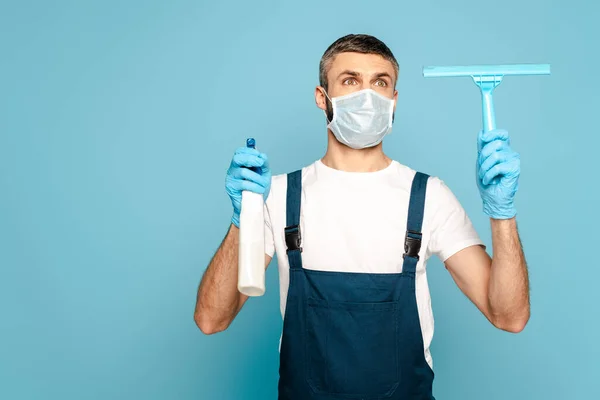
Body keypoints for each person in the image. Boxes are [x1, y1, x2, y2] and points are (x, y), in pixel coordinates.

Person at [194, 33, 530, 400]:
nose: (367, 96)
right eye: (350, 81)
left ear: (394, 100)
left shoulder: (429, 196)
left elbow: (509, 316)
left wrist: (503, 214)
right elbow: (212, 319)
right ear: (323, 98)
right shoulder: (278, 196)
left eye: (380, 82)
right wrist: (241, 221)